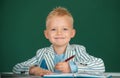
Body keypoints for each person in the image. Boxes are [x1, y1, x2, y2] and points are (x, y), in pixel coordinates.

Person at [13, 7, 105, 76]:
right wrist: (34, 70)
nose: (59, 33)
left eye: (65, 29)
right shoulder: (41, 53)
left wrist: (71, 67)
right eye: (53, 29)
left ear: (72, 33)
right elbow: (17, 68)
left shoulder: (78, 50)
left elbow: (100, 65)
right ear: (46, 34)